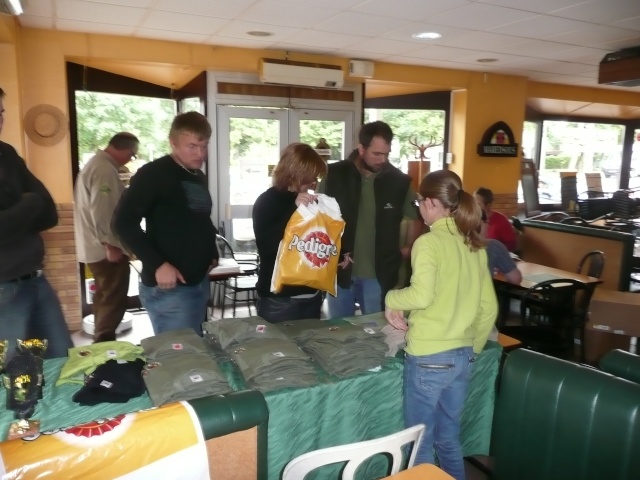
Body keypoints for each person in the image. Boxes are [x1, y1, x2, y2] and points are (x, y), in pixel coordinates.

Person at [385, 170, 497, 480]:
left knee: (419, 444)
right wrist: (471, 349)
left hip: (429, 359)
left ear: (432, 203)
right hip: (462, 356)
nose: (418, 206)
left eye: (419, 201)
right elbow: (488, 308)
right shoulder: (473, 244)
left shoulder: (428, 242)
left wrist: (392, 298)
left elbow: (422, 295)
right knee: (449, 440)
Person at [113, 112, 219, 335]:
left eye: (204, 145)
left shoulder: (196, 175)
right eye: (192, 146)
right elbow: (123, 223)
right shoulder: (153, 174)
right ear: (173, 143)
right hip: (169, 291)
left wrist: (212, 253)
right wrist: (158, 264)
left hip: (197, 282)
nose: (200, 153)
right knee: (179, 359)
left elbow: (200, 220)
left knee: (195, 353)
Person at [318, 121, 421, 318]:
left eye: (386, 154)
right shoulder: (334, 175)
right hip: (339, 270)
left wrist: (409, 246)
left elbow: (417, 216)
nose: (383, 160)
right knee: (339, 332)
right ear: (361, 149)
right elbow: (318, 216)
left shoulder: (398, 181)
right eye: (377, 154)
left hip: (379, 274)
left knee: (376, 333)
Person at [0, 87, 73, 358]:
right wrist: (28, 204)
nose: (0, 122)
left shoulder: (5, 153)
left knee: (63, 360)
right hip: (3, 289)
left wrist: (16, 213)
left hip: (35, 279)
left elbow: (50, 213)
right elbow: (34, 205)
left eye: (1, 113)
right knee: (15, 374)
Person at [74, 132, 139, 343]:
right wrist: (110, 244)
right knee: (113, 298)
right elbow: (102, 210)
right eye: (132, 155)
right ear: (128, 151)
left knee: (104, 296)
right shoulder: (104, 169)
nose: (130, 160)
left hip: (93, 247)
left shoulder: (96, 164)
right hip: (104, 250)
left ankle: (100, 346)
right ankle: (104, 347)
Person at [252, 143, 328, 322]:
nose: (314, 182)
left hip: (311, 295)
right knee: (278, 350)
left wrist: (340, 254)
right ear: (297, 172)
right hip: (278, 299)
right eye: (311, 176)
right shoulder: (267, 201)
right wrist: (294, 212)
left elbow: (316, 240)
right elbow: (267, 247)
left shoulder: (310, 201)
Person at [474, 187, 517, 252]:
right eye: (473, 203)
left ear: (488, 205)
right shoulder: (471, 218)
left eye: (479, 204)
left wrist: (496, 250)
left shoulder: (501, 220)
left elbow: (511, 244)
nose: (475, 206)